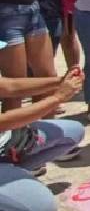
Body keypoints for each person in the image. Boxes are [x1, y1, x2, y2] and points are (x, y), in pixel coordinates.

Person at [0, 61, 85, 211]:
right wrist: (57, 98)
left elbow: (10, 86)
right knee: (42, 205)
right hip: (5, 131)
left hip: (6, 142)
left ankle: (13, 173)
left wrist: (60, 81)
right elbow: (4, 122)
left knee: (73, 132)